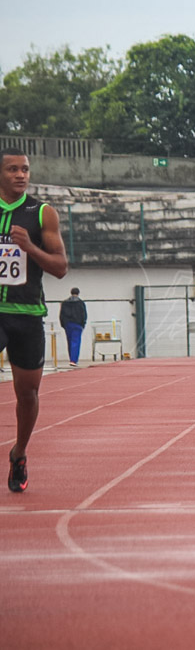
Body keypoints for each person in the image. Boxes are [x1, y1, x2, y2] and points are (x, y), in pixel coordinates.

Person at [1, 147, 69, 492]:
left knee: (27, 394)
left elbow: (60, 268)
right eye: (12, 169)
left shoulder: (42, 214)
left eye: (25, 169)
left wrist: (30, 248)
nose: (20, 175)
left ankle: (20, 452)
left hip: (27, 314)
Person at [59, 287, 88, 366]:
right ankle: (73, 360)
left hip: (68, 324)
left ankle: (71, 358)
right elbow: (84, 314)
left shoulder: (65, 303)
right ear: (78, 293)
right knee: (76, 341)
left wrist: (63, 324)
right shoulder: (81, 303)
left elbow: (61, 315)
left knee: (69, 341)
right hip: (78, 324)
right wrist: (83, 324)